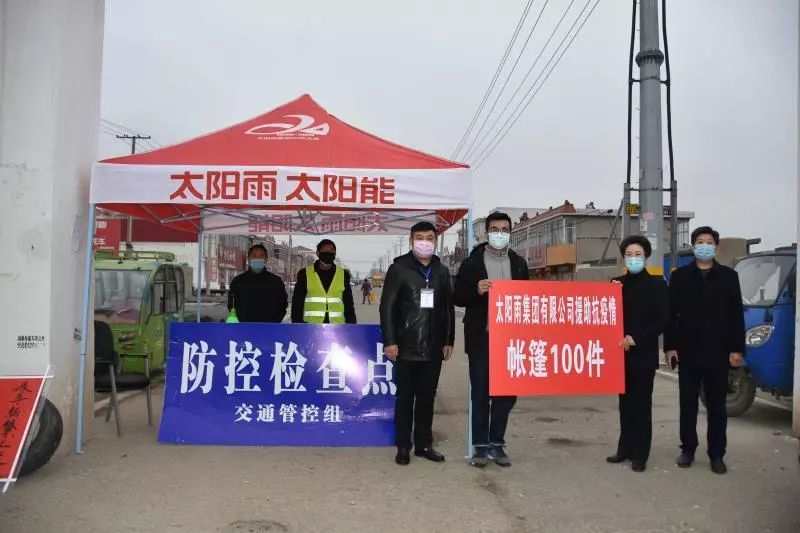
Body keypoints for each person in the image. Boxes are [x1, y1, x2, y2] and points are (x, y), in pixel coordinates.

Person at [664, 226, 745, 475]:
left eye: (709, 242)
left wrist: (736, 349)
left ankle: (717, 453)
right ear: (693, 245)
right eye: (700, 241)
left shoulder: (729, 277)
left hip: (719, 351)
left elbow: (736, 315)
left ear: (716, 246)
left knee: (717, 406)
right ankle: (688, 448)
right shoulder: (679, 277)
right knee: (687, 404)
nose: (704, 246)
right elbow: (670, 315)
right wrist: (670, 347)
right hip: (688, 351)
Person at [453, 212, 530, 468]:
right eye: (495, 229)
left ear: (510, 232)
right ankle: (480, 445)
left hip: (511, 340)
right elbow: (458, 297)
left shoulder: (518, 263)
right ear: (487, 233)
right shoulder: (472, 263)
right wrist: (475, 290)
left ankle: (497, 442)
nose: (500, 233)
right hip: (482, 338)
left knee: (507, 394)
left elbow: (529, 298)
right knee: (481, 393)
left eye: (504, 229)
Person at [380, 221, 455, 466]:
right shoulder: (399, 268)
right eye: (420, 237)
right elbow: (387, 307)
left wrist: (448, 340)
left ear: (435, 241)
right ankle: (403, 445)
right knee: (405, 398)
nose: (425, 242)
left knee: (427, 398)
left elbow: (447, 308)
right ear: (412, 241)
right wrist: (390, 341)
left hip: (433, 347)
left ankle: (424, 444)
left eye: (430, 238)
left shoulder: (441, 271)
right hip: (406, 345)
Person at [605, 235, 669, 473]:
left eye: (638, 255)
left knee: (642, 406)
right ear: (623, 258)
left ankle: (641, 454)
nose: (633, 259)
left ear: (646, 257)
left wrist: (637, 338)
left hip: (643, 355)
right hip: (619, 355)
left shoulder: (657, 285)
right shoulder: (616, 283)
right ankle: (625, 449)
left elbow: (662, 320)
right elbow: (606, 317)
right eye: (629, 255)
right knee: (625, 405)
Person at [291, 239, 356, 324]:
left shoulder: (343, 274)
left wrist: (351, 325)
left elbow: (348, 304)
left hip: (338, 326)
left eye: (332, 251)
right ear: (318, 253)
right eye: (325, 250)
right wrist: (297, 325)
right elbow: (297, 303)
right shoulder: (304, 273)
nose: (329, 253)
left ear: (335, 254)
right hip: (311, 326)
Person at [227, 244, 287, 323]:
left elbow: (283, 304)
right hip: (244, 328)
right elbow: (232, 304)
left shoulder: (276, 281)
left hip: (269, 328)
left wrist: (275, 322)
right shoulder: (238, 281)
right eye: (254, 256)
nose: (257, 258)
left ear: (266, 259)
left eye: (261, 256)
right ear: (249, 259)